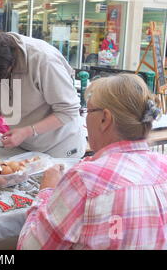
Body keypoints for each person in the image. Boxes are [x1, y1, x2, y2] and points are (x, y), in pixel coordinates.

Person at [17, 73, 167, 250]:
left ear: (105, 119)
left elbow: (29, 247)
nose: (85, 120)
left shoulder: (85, 180)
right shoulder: (163, 167)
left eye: (88, 111)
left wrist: (47, 191)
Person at [0, 29, 86, 159]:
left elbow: (68, 110)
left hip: (59, 148)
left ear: (9, 66)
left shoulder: (44, 60)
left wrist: (27, 131)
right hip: (24, 147)